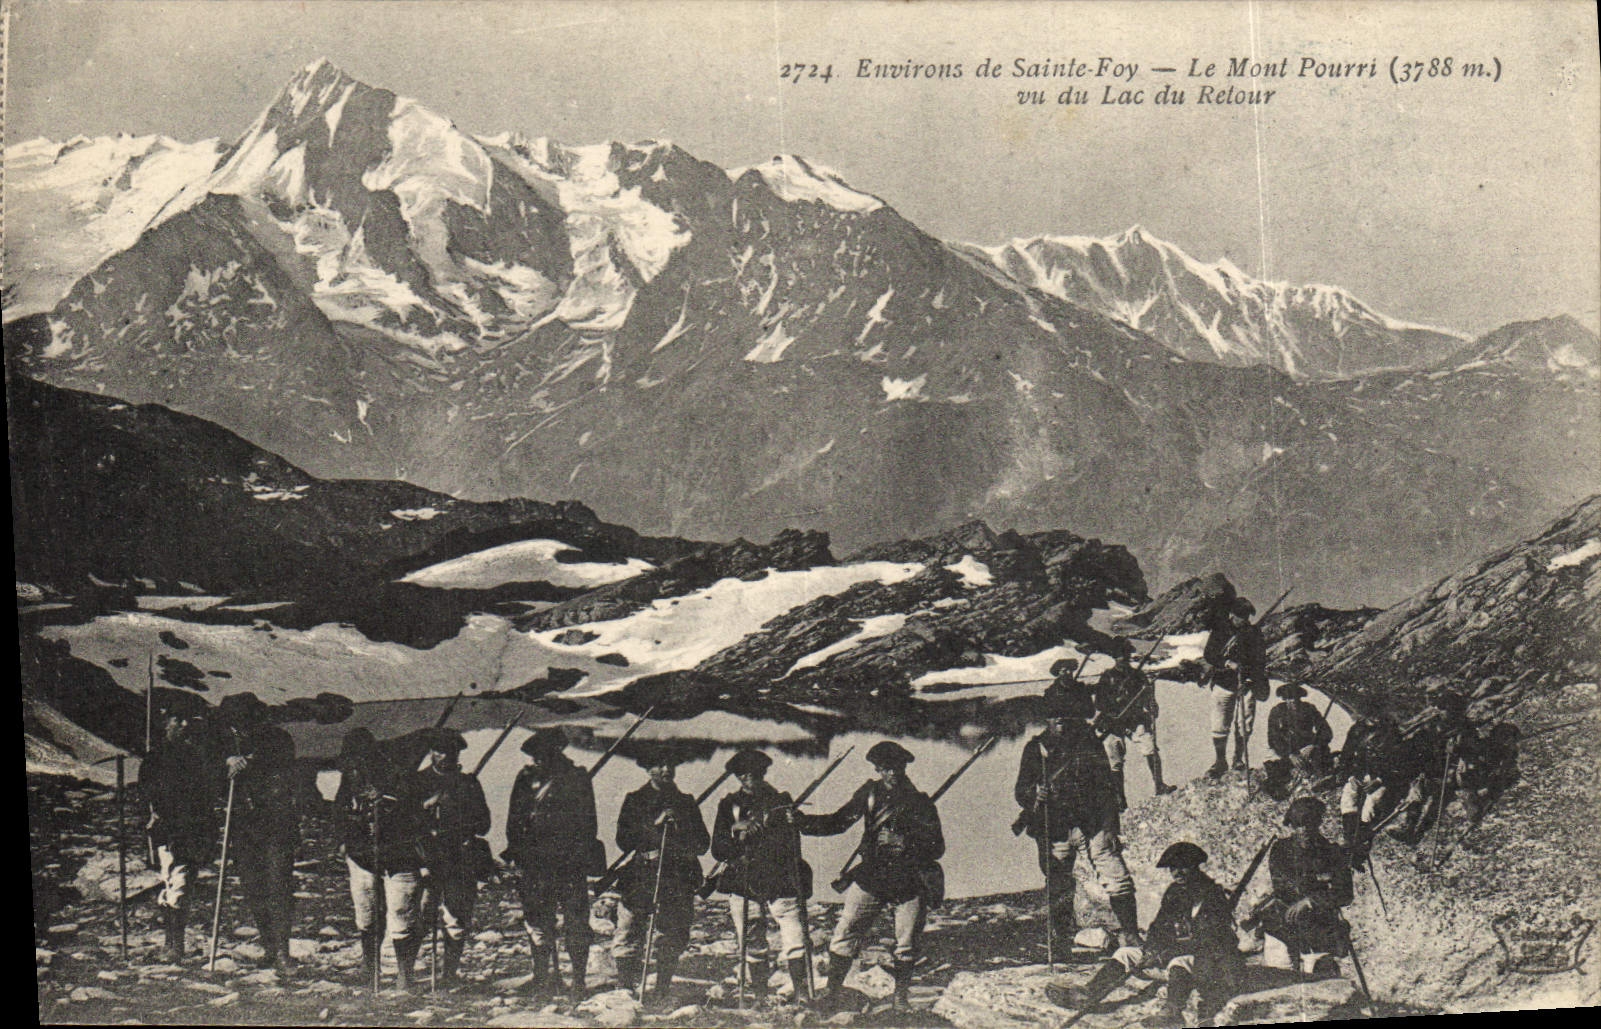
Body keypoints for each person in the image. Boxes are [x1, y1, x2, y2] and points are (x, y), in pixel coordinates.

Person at [796, 741, 945, 1013]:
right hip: (873, 875)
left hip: (909, 879)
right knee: (844, 934)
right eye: (886, 768)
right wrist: (801, 822)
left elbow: (937, 847)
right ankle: (831, 993)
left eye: (897, 767)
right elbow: (838, 822)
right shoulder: (869, 794)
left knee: (906, 943)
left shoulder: (920, 802)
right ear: (877, 769)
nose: (892, 774)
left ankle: (900, 1000)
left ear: (904, 767)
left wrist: (905, 842)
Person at [1047, 841, 1243, 1027]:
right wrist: (1151, 949)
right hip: (1168, 953)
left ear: (1195, 866)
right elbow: (1158, 927)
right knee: (1126, 954)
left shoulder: (1211, 895)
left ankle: (1172, 1012)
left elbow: (1207, 940)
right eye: (1172, 868)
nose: (1177, 872)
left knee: (1180, 962)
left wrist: (1165, 953)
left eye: (1183, 867)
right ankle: (1090, 993)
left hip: (1207, 961)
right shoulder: (1174, 892)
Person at [1014, 684, 1142, 952]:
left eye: (1064, 714)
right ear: (1046, 719)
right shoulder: (1035, 750)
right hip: (1056, 824)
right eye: (1053, 714)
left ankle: (1130, 933)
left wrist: (1109, 826)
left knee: (1114, 873)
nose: (1059, 719)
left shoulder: (1088, 745)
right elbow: (1020, 791)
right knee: (1058, 880)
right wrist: (1035, 794)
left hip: (1091, 822)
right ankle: (1060, 940)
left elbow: (1106, 786)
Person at [709, 747, 812, 1004]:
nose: (749, 778)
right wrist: (737, 830)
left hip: (780, 877)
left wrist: (787, 823)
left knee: (794, 934)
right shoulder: (728, 805)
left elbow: (791, 844)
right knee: (752, 939)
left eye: (755, 773)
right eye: (743, 774)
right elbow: (718, 849)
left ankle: (801, 992)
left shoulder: (781, 800)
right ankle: (759, 995)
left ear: (763, 773)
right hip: (744, 878)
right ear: (738, 777)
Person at [612, 746, 711, 1005]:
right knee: (630, 929)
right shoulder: (634, 799)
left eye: (670, 765)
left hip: (676, 877)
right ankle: (625, 987)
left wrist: (680, 827)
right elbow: (624, 840)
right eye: (659, 765)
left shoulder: (686, 802)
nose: (666, 770)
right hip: (642, 875)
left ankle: (662, 989)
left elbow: (702, 844)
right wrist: (654, 825)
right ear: (648, 769)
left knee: (673, 933)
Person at [505, 729, 599, 998]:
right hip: (536, 863)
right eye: (535, 756)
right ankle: (543, 977)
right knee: (537, 921)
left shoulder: (577, 778)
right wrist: (522, 856)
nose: (537, 760)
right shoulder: (525, 779)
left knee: (576, 923)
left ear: (556, 752)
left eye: (542, 755)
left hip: (569, 863)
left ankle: (578, 981)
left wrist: (574, 855)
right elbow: (514, 822)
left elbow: (588, 824)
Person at [333, 728, 427, 989]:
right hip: (362, 855)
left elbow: (413, 811)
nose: (356, 765)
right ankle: (369, 968)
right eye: (351, 760)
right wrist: (344, 839)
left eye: (361, 758)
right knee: (367, 913)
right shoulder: (349, 779)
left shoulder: (399, 775)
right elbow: (340, 811)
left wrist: (387, 801)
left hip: (399, 856)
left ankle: (404, 975)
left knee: (402, 912)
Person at [140, 696, 220, 963]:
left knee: (181, 883)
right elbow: (146, 795)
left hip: (192, 830)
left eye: (188, 720)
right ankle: (172, 944)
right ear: (167, 722)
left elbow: (208, 795)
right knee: (172, 882)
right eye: (179, 719)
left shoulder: (198, 755)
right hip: (168, 831)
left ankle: (175, 944)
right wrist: (152, 817)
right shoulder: (154, 758)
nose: (185, 725)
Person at [410, 728, 492, 988]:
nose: (446, 756)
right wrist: (427, 806)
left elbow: (484, 825)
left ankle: (449, 975)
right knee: (420, 916)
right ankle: (407, 975)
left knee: (457, 918)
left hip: (460, 859)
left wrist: (460, 813)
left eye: (451, 752)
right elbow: (405, 822)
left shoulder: (468, 783)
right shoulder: (417, 782)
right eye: (440, 750)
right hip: (425, 858)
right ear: (432, 753)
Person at [1244, 797, 1354, 977]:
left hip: (1319, 927)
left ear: (1318, 823)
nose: (1303, 830)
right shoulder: (1281, 850)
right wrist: (1317, 889)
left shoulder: (1332, 852)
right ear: (1292, 826)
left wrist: (1310, 901)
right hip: (1283, 924)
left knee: (1322, 980)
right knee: (1282, 977)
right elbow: (1283, 885)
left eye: (1309, 824)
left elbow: (1345, 894)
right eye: (1298, 825)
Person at [1390, 687, 1477, 845]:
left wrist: (1457, 749)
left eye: (1445, 709)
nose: (1441, 712)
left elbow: (1471, 755)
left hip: (1449, 775)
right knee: (1416, 795)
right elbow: (1421, 745)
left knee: (1434, 806)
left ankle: (1419, 833)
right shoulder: (1434, 725)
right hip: (1431, 770)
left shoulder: (1466, 730)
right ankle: (1408, 827)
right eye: (1441, 708)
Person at [1091, 638, 1173, 805]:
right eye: (1120, 656)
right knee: (1115, 760)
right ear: (1114, 658)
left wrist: (1152, 706)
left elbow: (1148, 697)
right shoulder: (1107, 677)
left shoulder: (1138, 675)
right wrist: (1115, 705)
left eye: (1126, 655)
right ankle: (1119, 798)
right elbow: (1099, 703)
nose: (1123, 659)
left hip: (1135, 720)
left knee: (1149, 747)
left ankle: (1159, 785)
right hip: (1113, 722)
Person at [1203, 596, 1270, 779]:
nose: (1244, 619)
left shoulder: (1254, 633)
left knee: (1245, 723)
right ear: (1232, 614)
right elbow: (1209, 654)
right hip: (1224, 683)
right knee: (1219, 723)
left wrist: (1250, 681)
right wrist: (1226, 663)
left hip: (1246, 684)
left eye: (1247, 616)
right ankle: (1220, 761)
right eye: (1241, 615)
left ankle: (1238, 759)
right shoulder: (1220, 631)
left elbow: (1260, 660)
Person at [1336, 715, 1406, 870]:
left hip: (1381, 778)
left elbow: (1399, 764)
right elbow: (1346, 755)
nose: (1372, 719)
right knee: (1348, 798)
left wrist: (1379, 780)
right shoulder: (1357, 731)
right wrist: (1351, 776)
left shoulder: (1391, 733)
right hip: (1360, 774)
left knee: (1370, 806)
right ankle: (1349, 838)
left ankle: (1360, 845)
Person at [1261, 684, 1334, 800]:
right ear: (1284, 699)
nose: (1293, 701)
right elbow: (1273, 738)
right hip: (1286, 749)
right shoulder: (1277, 712)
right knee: (1274, 768)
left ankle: (1320, 780)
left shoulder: (1309, 709)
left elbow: (1326, 732)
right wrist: (1289, 755)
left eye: (1296, 697)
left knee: (1321, 757)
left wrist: (1313, 746)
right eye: (1289, 698)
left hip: (1307, 747)